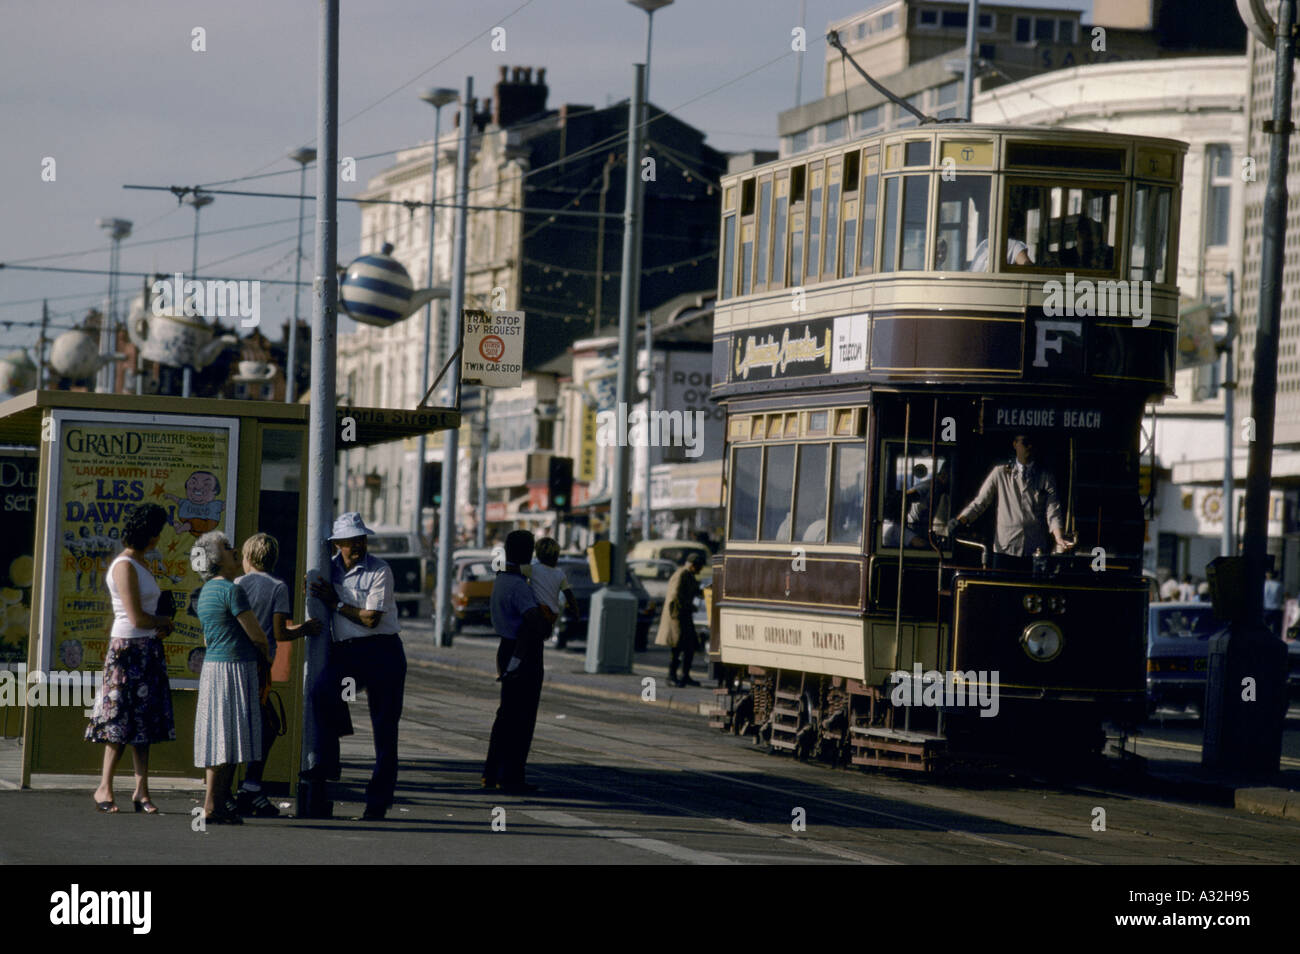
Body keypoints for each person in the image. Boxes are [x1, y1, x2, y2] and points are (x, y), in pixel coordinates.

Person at [307, 512, 407, 820]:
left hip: (382, 650)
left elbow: (370, 617)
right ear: (338, 544)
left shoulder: (380, 570)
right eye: (351, 542)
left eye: (361, 540)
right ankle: (330, 761)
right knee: (322, 692)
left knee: (385, 730)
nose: (358, 547)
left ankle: (377, 803)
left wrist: (336, 602)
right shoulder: (329, 569)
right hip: (348, 651)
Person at [86, 503, 175, 814]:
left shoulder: (139, 565)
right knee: (119, 721)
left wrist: (159, 626)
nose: (159, 539)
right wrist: (162, 622)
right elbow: (136, 617)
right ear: (150, 536)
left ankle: (141, 789)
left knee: (143, 722)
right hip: (128, 649)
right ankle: (104, 787)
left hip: (145, 647)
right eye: (158, 533)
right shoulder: (124, 566)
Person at [234, 532, 319, 817]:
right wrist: (305, 629)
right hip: (260, 667)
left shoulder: (237, 584)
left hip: (235, 662)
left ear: (248, 558)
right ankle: (250, 786)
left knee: (241, 725)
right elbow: (281, 632)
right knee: (266, 726)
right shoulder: (278, 587)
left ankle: (242, 787)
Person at [192, 531, 271, 825]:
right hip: (234, 669)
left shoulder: (206, 592)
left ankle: (217, 802)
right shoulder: (232, 591)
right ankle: (214, 804)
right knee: (229, 736)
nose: (235, 550)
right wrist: (266, 659)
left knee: (219, 735)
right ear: (215, 558)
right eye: (227, 547)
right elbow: (257, 636)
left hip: (214, 668)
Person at [482, 530, 551, 794]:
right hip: (523, 654)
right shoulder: (520, 587)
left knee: (505, 716)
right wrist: (547, 622)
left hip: (505, 648)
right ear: (526, 552)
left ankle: (491, 772)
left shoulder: (501, 580)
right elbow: (533, 625)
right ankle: (511, 776)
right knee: (522, 718)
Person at [948, 433, 1074, 570]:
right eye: (1025, 443)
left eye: (1032, 444)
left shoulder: (1045, 477)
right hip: (1005, 549)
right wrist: (962, 520)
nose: (1029, 447)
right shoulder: (1000, 473)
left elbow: (1053, 510)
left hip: (1034, 550)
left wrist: (1059, 537)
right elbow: (980, 502)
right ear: (1015, 444)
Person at [655, 553, 705, 687]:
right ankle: (671, 676)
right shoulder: (681, 575)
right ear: (694, 566)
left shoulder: (689, 575)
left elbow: (695, 591)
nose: (700, 571)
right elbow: (675, 596)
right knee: (677, 648)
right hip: (676, 617)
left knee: (690, 647)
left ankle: (685, 675)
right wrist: (684, 610)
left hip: (684, 615)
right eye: (699, 567)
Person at [527, 536, 578, 628]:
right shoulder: (560, 574)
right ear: (556, 556)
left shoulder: (532, 569)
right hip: (552, 617)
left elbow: (512, 569)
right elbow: (569, 595)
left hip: (537, 613)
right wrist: (575, 612)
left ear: (538, 555)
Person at [1263, 570, 1283, 637]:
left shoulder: (1265, 584)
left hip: (1266, 607)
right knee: (1276, 628)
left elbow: (1264, 595)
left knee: (1264, 627)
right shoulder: (1279, 585)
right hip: (1276, 608)